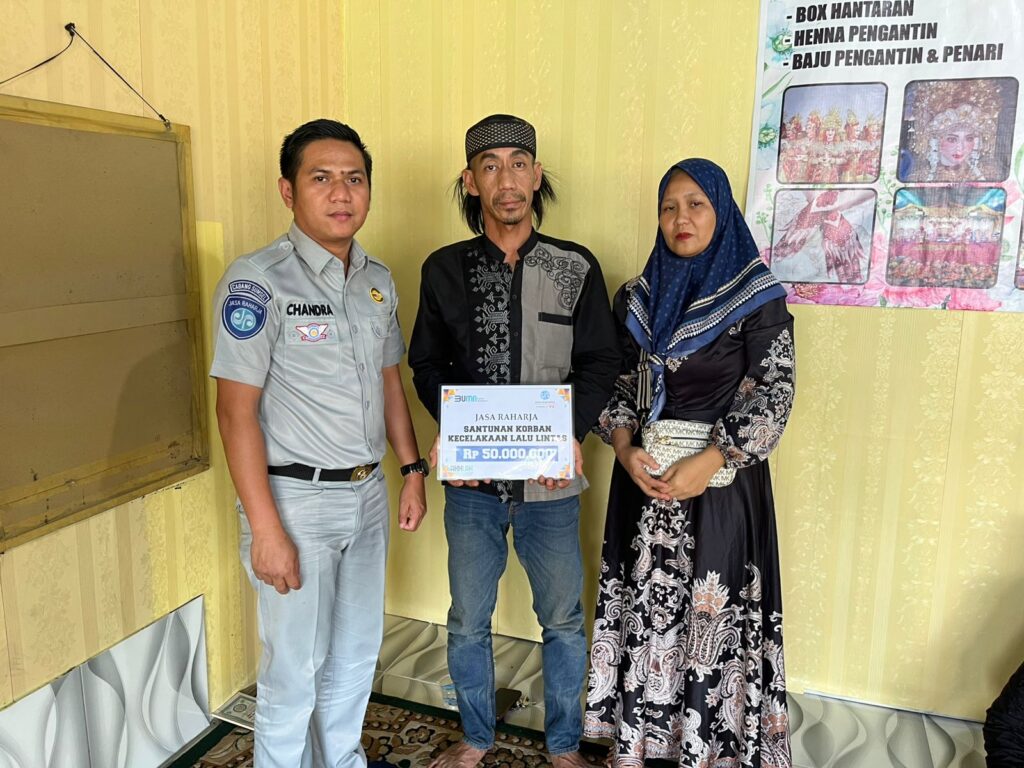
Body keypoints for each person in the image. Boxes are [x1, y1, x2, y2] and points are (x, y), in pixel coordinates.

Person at [210, 119, 428, 768]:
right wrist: (266, 530)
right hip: (294, 501)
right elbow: (234, 414)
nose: (341, 193)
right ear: (289, 191)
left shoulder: (377, 279)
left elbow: (389, 383)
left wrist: (412, 470)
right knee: (294, 668)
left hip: (367, 494)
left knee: (355, 654)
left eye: (354, 179)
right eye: (322, 178)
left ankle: (342, 760)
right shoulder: (258, 282)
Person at [408, 114, 619, 768]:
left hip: (550, 484)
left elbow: (601, 362)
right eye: (491, 165)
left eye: (518, 163)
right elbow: (426, 364)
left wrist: (571, 432)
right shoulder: (443, 269)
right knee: (467, 620)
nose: (507, 179)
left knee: (563, 621)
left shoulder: (575, 266)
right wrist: (454, 430)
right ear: (470, 181)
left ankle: (563, 745)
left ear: (537, 175)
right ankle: (476, 737)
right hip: (472, 485)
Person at [584, 158, 795, 768]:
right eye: (669, 206)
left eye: (696, 204)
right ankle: (642, 745)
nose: (681, 218)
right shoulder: (638, 297)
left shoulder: (756, 297)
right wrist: (623, 446)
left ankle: (706, 750)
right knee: (647, 609)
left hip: (719, 490)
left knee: (708, 615)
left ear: (722, 211)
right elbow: (617, 383)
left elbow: (775, 391)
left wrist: (713, 458)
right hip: (643, 483)